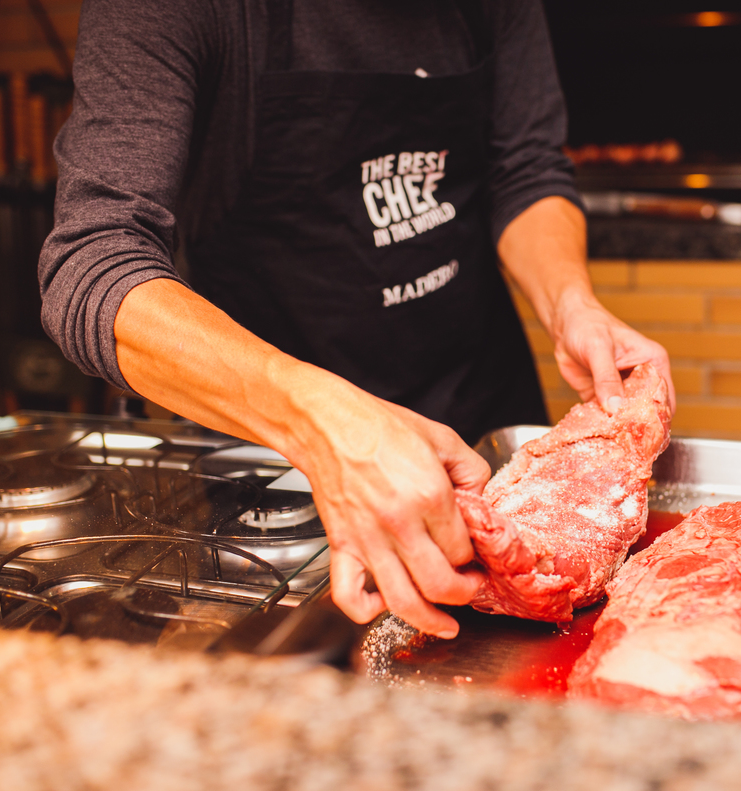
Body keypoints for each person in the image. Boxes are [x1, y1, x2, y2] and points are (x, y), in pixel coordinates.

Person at [39, 0, 675, 639]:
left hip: (487, 438)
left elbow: (525, 171)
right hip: (283, 474)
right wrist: (323, 427)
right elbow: (94, 264)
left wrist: (571, 302)